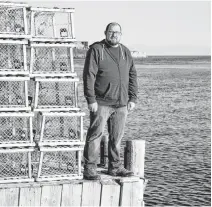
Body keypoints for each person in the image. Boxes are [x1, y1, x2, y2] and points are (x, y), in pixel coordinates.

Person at [83, 22, 138, 180]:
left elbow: (132, 75)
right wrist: (91, 99)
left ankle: (114, 167)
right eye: (111, 32)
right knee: (95, 135)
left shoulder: (125, 51)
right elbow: (89, 76)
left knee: (116, 137)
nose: (114, 35)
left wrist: (132, 98)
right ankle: (90, 168)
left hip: (121, 104)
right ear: (105, 32)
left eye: (117, 32)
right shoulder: (96, 50)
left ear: (121, 34)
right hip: (100, 103)